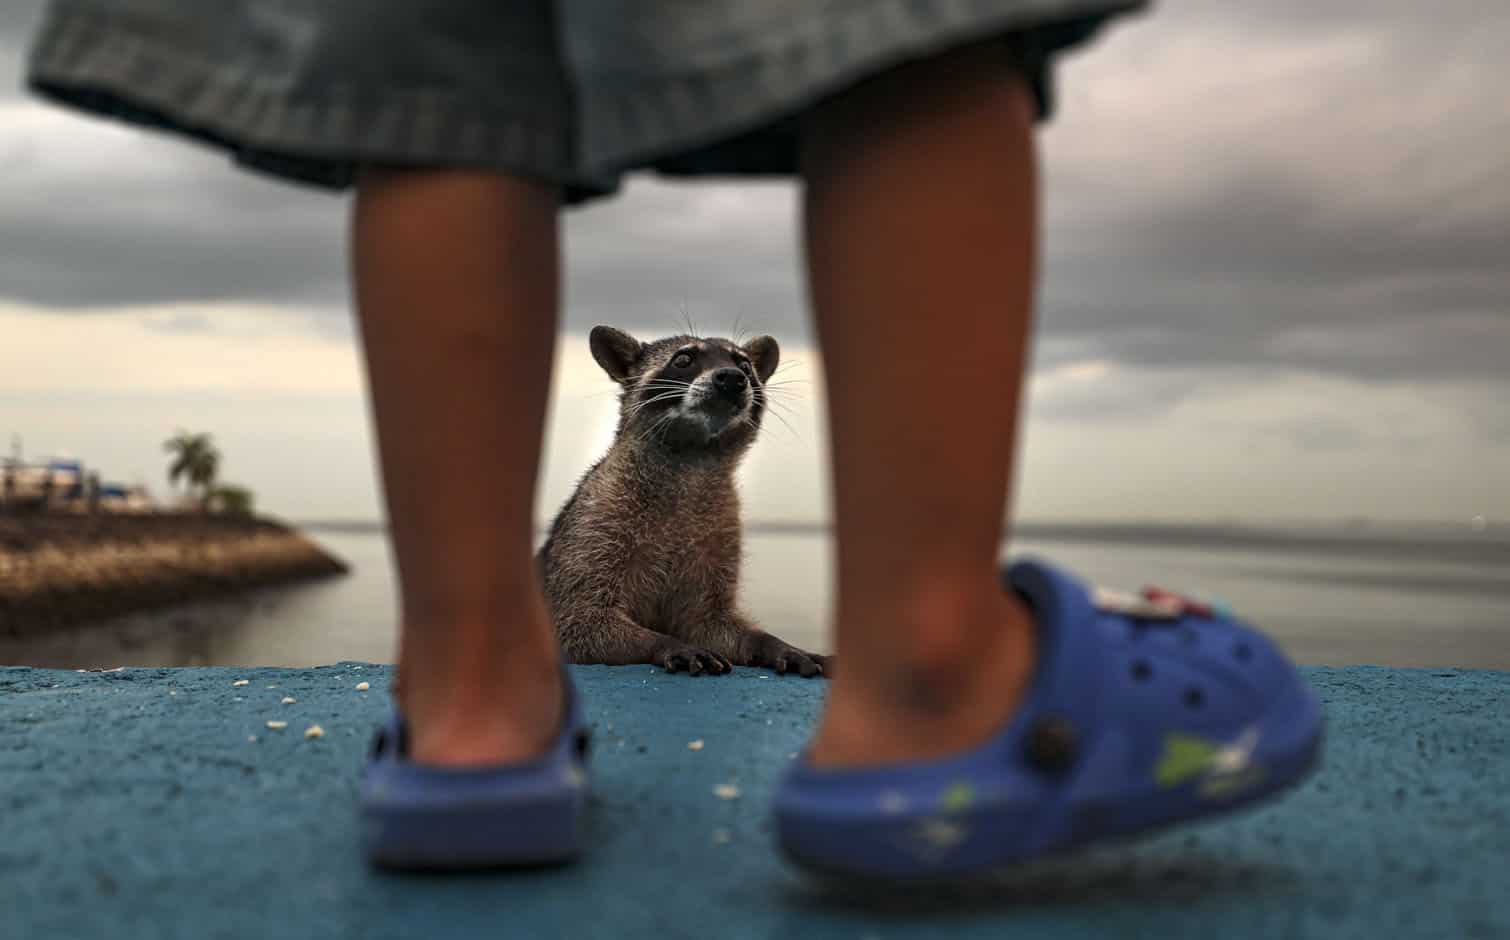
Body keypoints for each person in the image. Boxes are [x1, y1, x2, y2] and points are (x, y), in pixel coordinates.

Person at [26, 0, 1322, 879]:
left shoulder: (715, 496)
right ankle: (933, 674)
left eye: (736, 370)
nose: (722, 376)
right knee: (899, 22)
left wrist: (756, 647)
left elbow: (704, 622)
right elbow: (594, 614)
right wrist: (662, 647)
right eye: (686, 366)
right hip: (624, 617)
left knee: (436, 70)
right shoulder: (620, 492)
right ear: (629, 387)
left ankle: (467, 716)